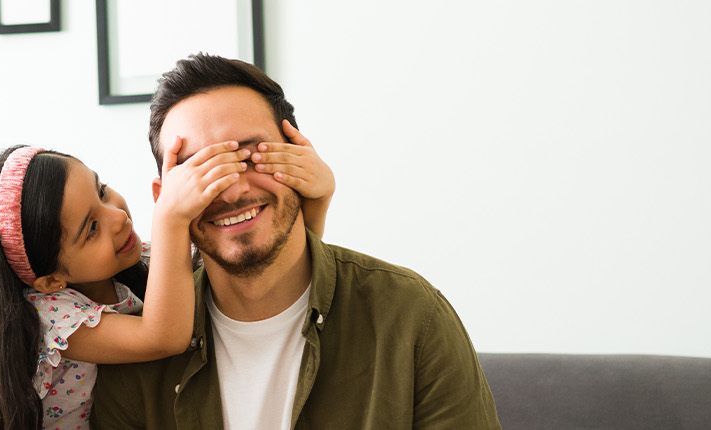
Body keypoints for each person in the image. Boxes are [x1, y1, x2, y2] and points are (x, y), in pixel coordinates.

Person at [90, 54, 502, 429]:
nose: (231, 192)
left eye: (252, 157)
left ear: (300, 160)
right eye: (200, 171)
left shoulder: (412, 317)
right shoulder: (134, 362)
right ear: (163, 200)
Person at [0, 142, 336, 429]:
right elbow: (163, 336)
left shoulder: (136, 261)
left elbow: (259, 277)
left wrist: (315, 202)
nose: (117, 217)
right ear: (51, 280)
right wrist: (171, 217)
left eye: (102, 190)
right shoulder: (48, 317)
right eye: (91, 228)